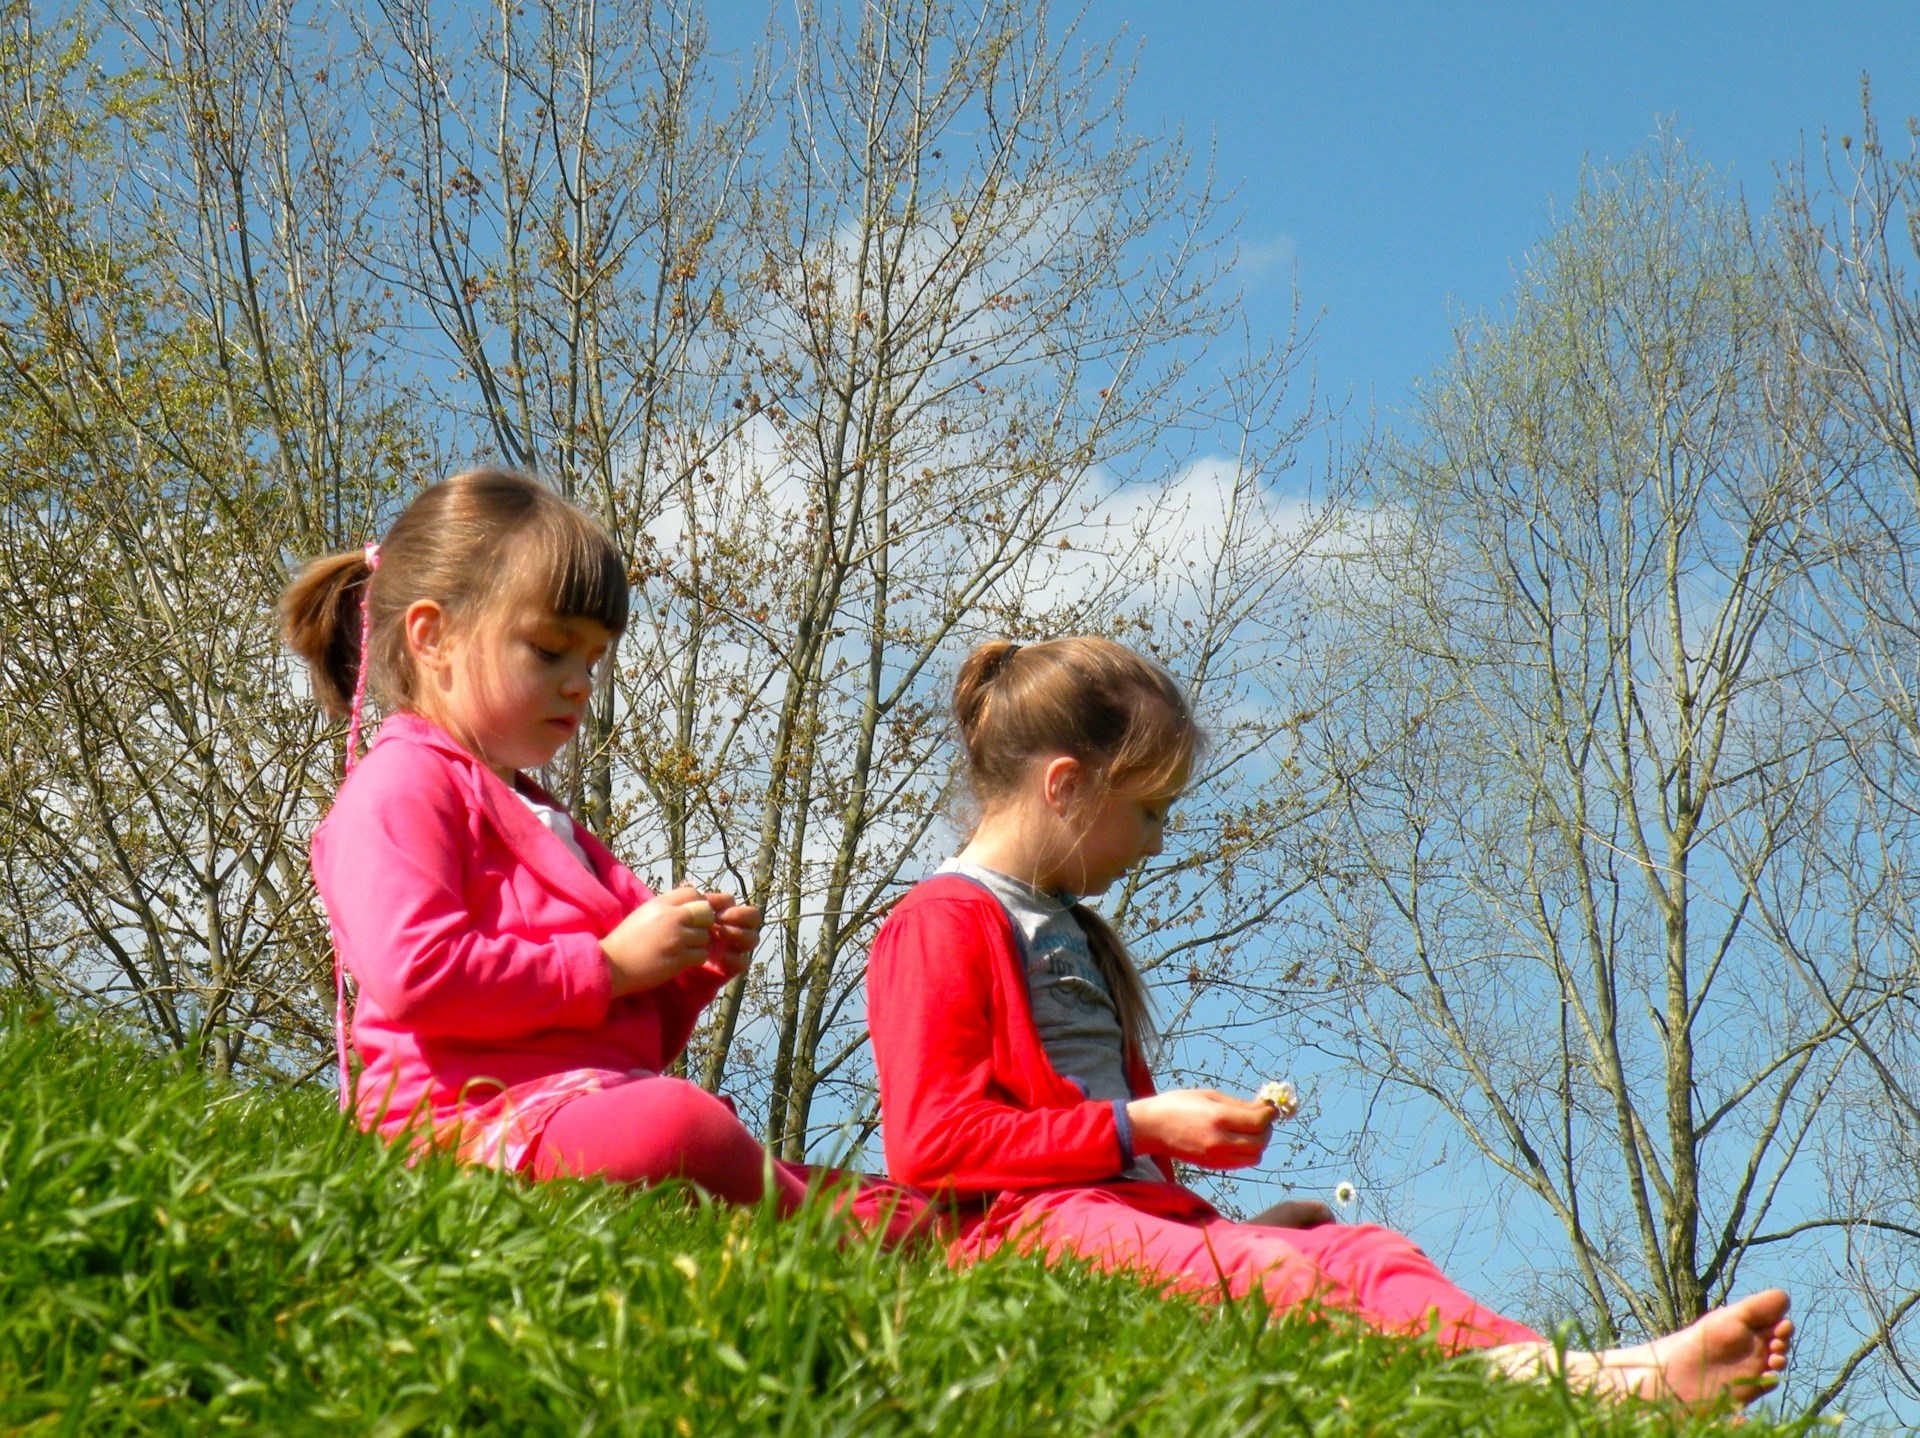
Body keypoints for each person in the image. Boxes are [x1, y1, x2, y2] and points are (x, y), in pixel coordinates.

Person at [865, 635, 1793, 1405]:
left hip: (1120, 1219)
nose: (1156, 840)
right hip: (1027, 1236)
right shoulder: (941, 922)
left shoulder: (1069, 930)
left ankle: (1599, 1374)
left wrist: (1221, 1223)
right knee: (1278, 1280)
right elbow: (932, 1147)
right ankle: (1578, 1393)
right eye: (1148, 811)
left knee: (1362, 1249)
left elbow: (1112, 1178)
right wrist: (1144, 1125)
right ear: (1066, 785)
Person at [283, 468, 920, 1240]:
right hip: (462, 1129)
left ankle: (882, 1219)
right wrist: (613, 965)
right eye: (551, 650)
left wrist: (683, 974)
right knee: (676, 1123)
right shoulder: (400, 785)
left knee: (704, 1130)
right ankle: (836, 1229)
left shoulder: (547, 820)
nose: (580, 684)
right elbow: (419, 976)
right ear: (433, 636)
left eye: (592, 661)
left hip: (577, 1110)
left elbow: (615, 1039)